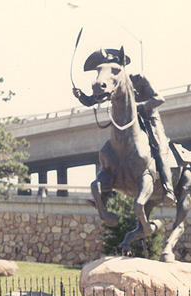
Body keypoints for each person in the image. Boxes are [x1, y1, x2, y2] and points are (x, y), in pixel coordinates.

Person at [73, 48, 177, 207]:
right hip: (128, 122)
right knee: (109, 149)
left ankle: (168, 190)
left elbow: (159, 98)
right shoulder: (114, 85)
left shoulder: (139, 79)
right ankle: (104, 195)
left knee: (160, 146)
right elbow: (93, 100)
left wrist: (140, 107)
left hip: (149, 118)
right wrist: (81, 96)